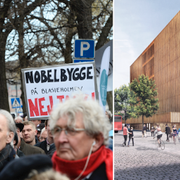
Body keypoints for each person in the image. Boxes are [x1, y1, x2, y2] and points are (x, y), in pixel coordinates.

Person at [50, 94, 113, 180]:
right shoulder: (42, 172)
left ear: (96, 140)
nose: (61, 139)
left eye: (72, 130)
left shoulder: (111, 173)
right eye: (57, 130)